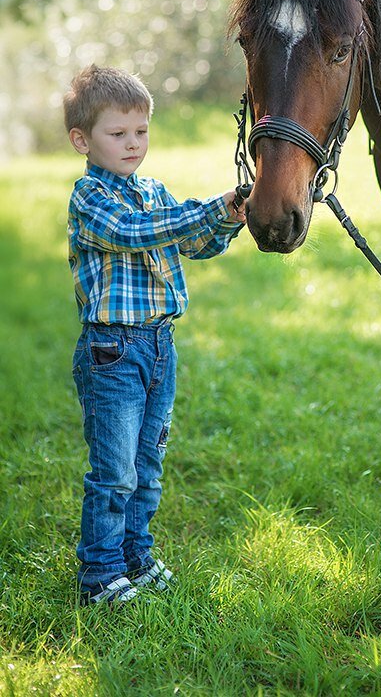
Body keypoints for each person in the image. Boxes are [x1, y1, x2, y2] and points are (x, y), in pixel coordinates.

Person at [63, 65, 246, 605]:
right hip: (112, 352)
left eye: (140, 132)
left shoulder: (154, 192)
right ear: (82, 140)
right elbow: (132, 234)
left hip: (160, 347)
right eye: (117, 134)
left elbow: (194, 244)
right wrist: (205, 209)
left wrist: (230, 216)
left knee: (147, 465)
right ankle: (99, 572)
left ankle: (134, 556)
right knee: (114, 471)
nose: (132, 144)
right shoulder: (90, 199)